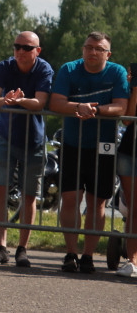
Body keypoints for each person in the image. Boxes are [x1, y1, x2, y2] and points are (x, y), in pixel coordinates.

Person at [49, 31, 129, 274]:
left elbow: (121, 107)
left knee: (97, 203)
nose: (92, 52)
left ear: (108, 53)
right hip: (72, 144)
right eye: (88, 47)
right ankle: (71, 253)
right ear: (83, 49)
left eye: (98, 48)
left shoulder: (116, 72)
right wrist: (78, 107)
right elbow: (55, 103)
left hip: (104, 146)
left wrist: (95, 111)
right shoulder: (69, 69)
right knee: (71, 199)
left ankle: (88, 256)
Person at [0, 31, 54, 268]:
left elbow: (40, 103)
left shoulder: (44, 69)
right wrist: (6, 99)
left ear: (37, 51)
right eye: (17, 47)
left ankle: (22, 249)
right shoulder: (5, 66)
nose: (21, 52)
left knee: (29, 195)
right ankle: (1, 247)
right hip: (5, 137)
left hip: (33, 140)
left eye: (27, 47)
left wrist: (20, 101)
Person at [115, 65, 137, 277]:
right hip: (130, 153)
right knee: (134, 207)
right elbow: (127, 119)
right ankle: (132, 261)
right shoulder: (130, 89)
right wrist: (135, 89)